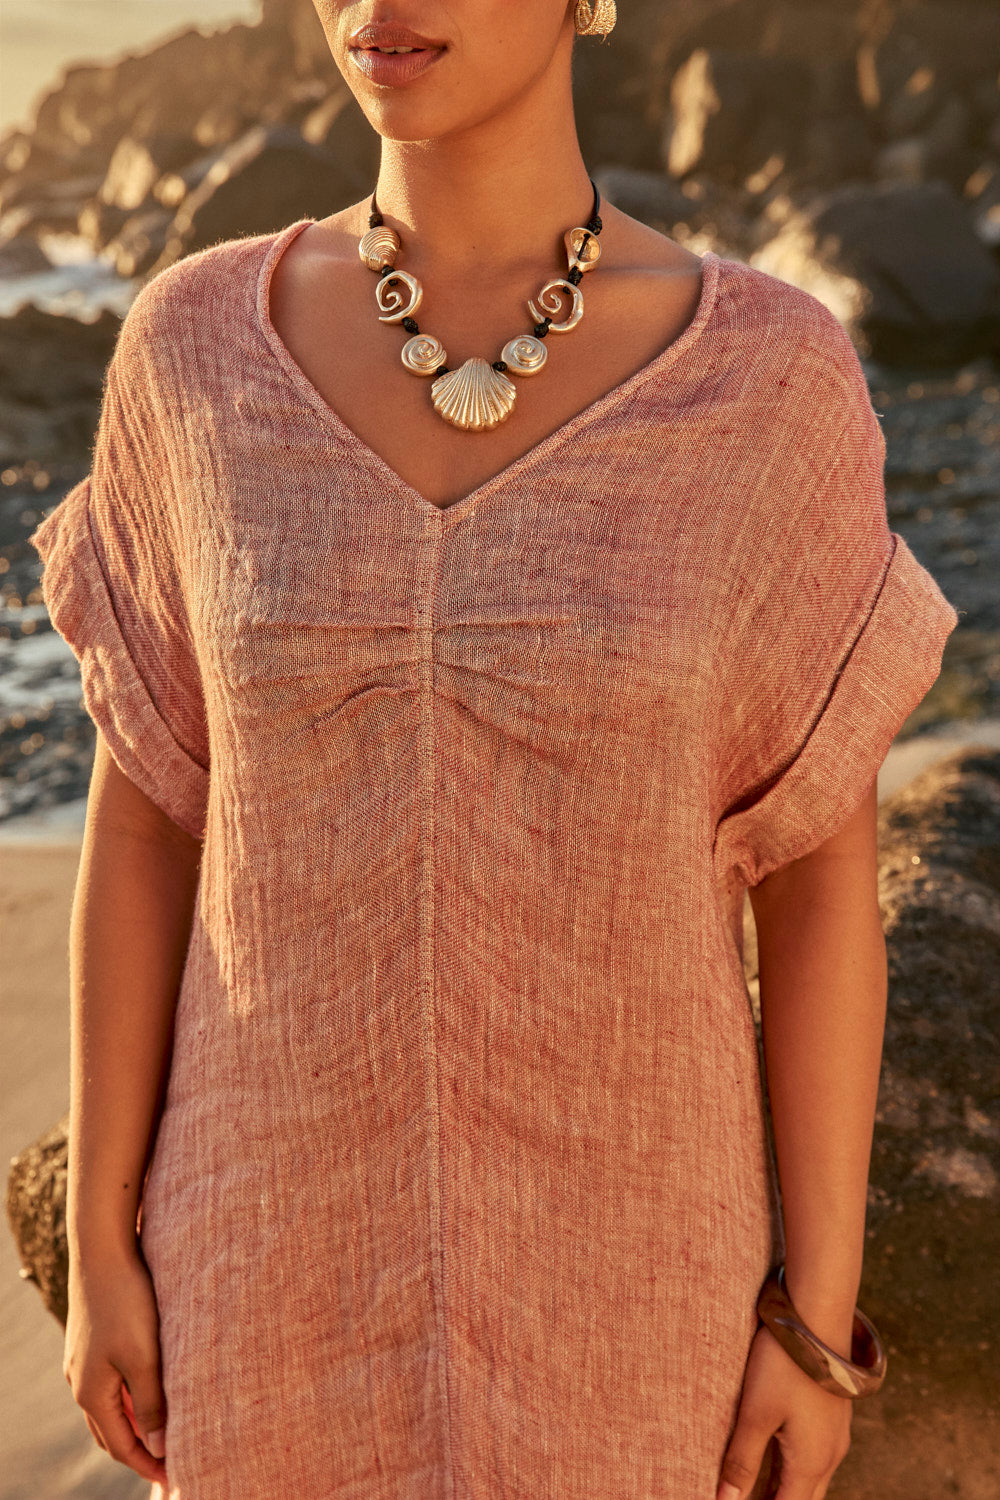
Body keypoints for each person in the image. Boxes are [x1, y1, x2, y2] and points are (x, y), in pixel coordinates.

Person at [29, 2, 958, 1497]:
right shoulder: (191, 350)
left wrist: (814, 1317)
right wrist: (102, 1251)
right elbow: (144, 825)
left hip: (644, 1294)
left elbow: (818, 886)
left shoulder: (771, 381)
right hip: (261, 1269)